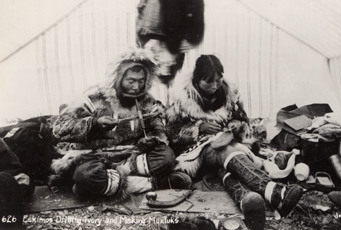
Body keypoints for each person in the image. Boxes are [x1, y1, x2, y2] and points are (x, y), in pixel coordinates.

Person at [165, 55, 303, 229]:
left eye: (218, 80)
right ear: (197, 79)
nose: (215, 86)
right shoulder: (182, 100)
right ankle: (275, 192)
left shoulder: (229, 93)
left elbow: (243, 121)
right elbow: (172, 134)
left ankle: (247, 201)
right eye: (208, 82)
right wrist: (199, 128)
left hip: (228, 151)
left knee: (226, 166)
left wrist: (235, 125)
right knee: (221, 150)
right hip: (197, 154)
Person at [51, 48, 191, 200]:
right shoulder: (94, 97)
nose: (136, 87)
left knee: (167, 157)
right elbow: (60, 127)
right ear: (118, 77)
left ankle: (97, 187)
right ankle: (155, 183)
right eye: (131, 81)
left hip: (132, 157)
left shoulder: (147, 101)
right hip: (94, 157)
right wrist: (94, 123)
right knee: (86, 174)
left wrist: (150, 139)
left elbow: (158, 129)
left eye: (141, 81)